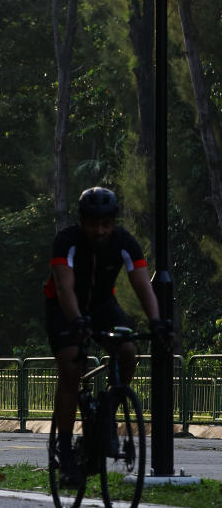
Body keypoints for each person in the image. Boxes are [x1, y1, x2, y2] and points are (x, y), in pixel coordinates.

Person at [44, 187, 169, 486]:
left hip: (102, 305)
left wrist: (156, 322)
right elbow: (64, 287)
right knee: (71, 368)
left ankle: (110, 413)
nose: (100, 230)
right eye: (93, 223)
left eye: (106, 224)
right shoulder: (67, 241)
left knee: (128, 352)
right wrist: (76, 321)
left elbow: (142, 285)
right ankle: (64, 450)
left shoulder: (125, 243)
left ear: (113, 222)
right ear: (82, 221)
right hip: (63, 305)